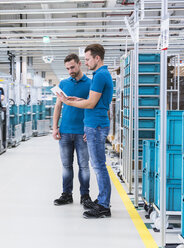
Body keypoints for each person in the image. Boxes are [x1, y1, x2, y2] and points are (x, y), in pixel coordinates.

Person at [56, 44, 113, 219]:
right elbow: (95, 101)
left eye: (87, 59)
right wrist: (78, 99)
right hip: (93, 124)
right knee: (97, 165)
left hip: (95, 126)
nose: (87, 62)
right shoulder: (101, 75)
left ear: (97, 58)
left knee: (98, 166)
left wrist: (68, 101)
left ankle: (103, 206)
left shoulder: (99, 76)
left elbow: (91, 104)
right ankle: (102, 200)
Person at [52, 53, 93, 209]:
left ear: (80, 64)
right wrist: (55, 127)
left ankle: (85, 196)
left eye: (72, 67)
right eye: (68, 68)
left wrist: (89, 128)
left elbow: (92, 107)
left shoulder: (90, 84)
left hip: (82, 132)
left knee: (83, 166)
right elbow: (58, 106)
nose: (70, 71)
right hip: (65, 132)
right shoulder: (63, 84)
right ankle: (66, 194)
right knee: (66, 166)